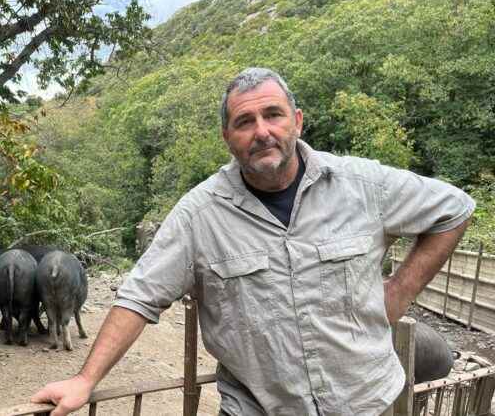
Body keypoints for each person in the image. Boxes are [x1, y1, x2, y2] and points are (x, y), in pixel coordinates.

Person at [31, 68, 475, 415]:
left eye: (273, 115)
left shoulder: (363, 185)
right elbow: (138, 297)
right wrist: (85, 380)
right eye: (245, 121)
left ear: (296, 121)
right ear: (227, 137)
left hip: (366, 404)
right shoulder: (199, 214)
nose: (262, 130)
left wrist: (398, 293)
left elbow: (454, 209)